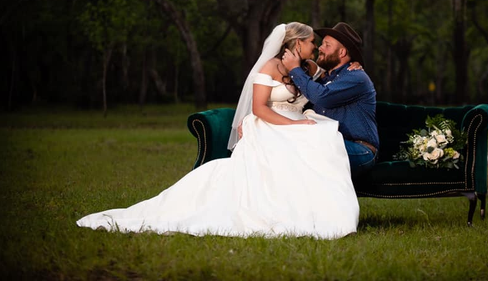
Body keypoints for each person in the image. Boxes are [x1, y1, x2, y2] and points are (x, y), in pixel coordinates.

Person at [76, 22, 359, 239]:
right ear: (297, 43)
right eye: (312, 42)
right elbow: (259, 108)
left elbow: (330, 76)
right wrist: (294, 125)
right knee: (296, 151)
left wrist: (356, 64)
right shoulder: (270, 67)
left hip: (294, 124)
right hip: (270, 125)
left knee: (323, 140)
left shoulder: (308, 66)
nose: (315, 47)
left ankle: (318, 209)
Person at [282, 22, 379, 179]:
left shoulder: (356, 77)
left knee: (310, 150)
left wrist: (294, 69)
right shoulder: (323, 78)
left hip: (360, 150)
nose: (320, 48)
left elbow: (321, 96)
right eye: (321, 44)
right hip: (328, 143)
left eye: (327, 45)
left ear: (341, 52)